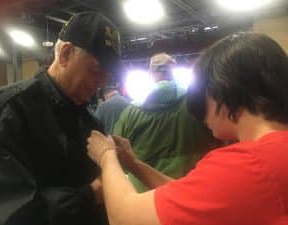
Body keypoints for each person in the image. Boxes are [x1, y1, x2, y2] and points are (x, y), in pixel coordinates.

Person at [87, 32, 288, 225]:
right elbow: (190, 195)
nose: (200, 112)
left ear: (223, 91)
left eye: (204, 96)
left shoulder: (248, 165)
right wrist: (133, 163)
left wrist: (106, 155)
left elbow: (125, 218)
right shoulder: (273, 156)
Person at [0, 11, 120, 225]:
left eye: (108, 75)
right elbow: (9, 212)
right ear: (65, 54)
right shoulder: (8, 113)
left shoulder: (90, 122)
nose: (102, 82)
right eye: (96, 70)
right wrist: (89, 195)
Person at [114, 52, 217, 192]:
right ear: (174, 71)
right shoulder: (198, 102)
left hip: (146, 198)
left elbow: (118, 157)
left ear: (150, 74)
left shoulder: (130, 111)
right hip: (193, 192)